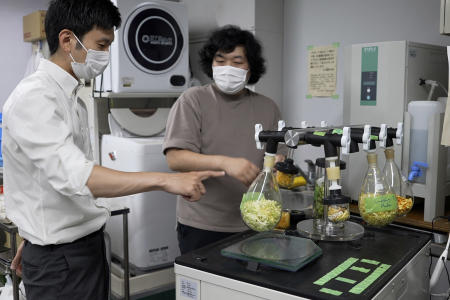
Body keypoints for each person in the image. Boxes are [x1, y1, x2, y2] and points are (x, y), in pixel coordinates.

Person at [2, 0, 223, 299]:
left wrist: (34, 235)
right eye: (102, 45)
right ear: (68, 40)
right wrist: (164, 179)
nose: (105, 56)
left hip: (77, 248)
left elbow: (48, 181)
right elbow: (80, 176)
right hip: (62, 260)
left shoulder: (71, 98)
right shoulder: (36, 98)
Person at [163, 25, 286, 254]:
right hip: (203, 224)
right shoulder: (193, 100)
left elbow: (278, 156)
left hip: (256, 221)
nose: (228, 68)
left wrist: (278, 166)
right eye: (220, 61)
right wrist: (226, 163)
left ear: (251, 67)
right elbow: (175, 158)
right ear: (211, 64)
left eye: (237, 62)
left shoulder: (268, 107)